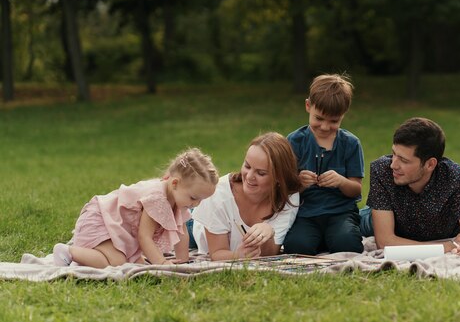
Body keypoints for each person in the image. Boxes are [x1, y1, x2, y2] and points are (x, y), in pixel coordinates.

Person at [52, 148, 219, 268]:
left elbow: (181, 231)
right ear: (175, 183)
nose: (195, 204)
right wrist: (161, 263)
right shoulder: (158, 199)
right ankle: (68, 252)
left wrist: (183, 261)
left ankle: (101, 251)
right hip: (100, 221)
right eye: (194, 198)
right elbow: (144, 237)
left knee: (135, 262)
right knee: (118, 263)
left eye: (201, 200)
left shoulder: (179, 197)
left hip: (118, 230)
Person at [361, 117, 460, 255]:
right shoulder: (382, 170)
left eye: (403, 160)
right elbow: (384, 242)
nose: (393, 165)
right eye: (394, 154)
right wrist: (448, 246)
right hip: (380, 218)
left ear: (430, 164)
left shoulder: (457, 178)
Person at [283, 73, 365, 255]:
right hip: (305, 213)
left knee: (348, 243)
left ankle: (330, 239)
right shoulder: (294, 141)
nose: (325, 127)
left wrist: (341, 182)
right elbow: (285, 188)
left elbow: (356, 189)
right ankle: (322, 239)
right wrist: (299, 183)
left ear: (343, 115)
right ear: (307, 106)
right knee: (296, 247)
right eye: (319, 118)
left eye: (334, 121)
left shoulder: (351, 143)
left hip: (341, 212)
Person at [191, 132, 302, 260]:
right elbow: (216, 254)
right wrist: (237, 256)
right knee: (177, 227)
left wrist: (269, 232)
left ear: (279, 177)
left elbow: (269, 255)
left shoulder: (288, 197)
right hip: (199, 223)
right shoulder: (218, 195)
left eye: (261, 173)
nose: (249, 177)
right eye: (247, 166)